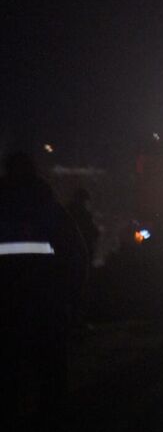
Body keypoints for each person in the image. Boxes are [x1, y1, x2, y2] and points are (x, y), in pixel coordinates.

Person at [1, 151, 87, 414]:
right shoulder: (49, 209)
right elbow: (75, 254)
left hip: (6, 306)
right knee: (51, 370)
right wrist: (72, 298)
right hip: (46, 305)